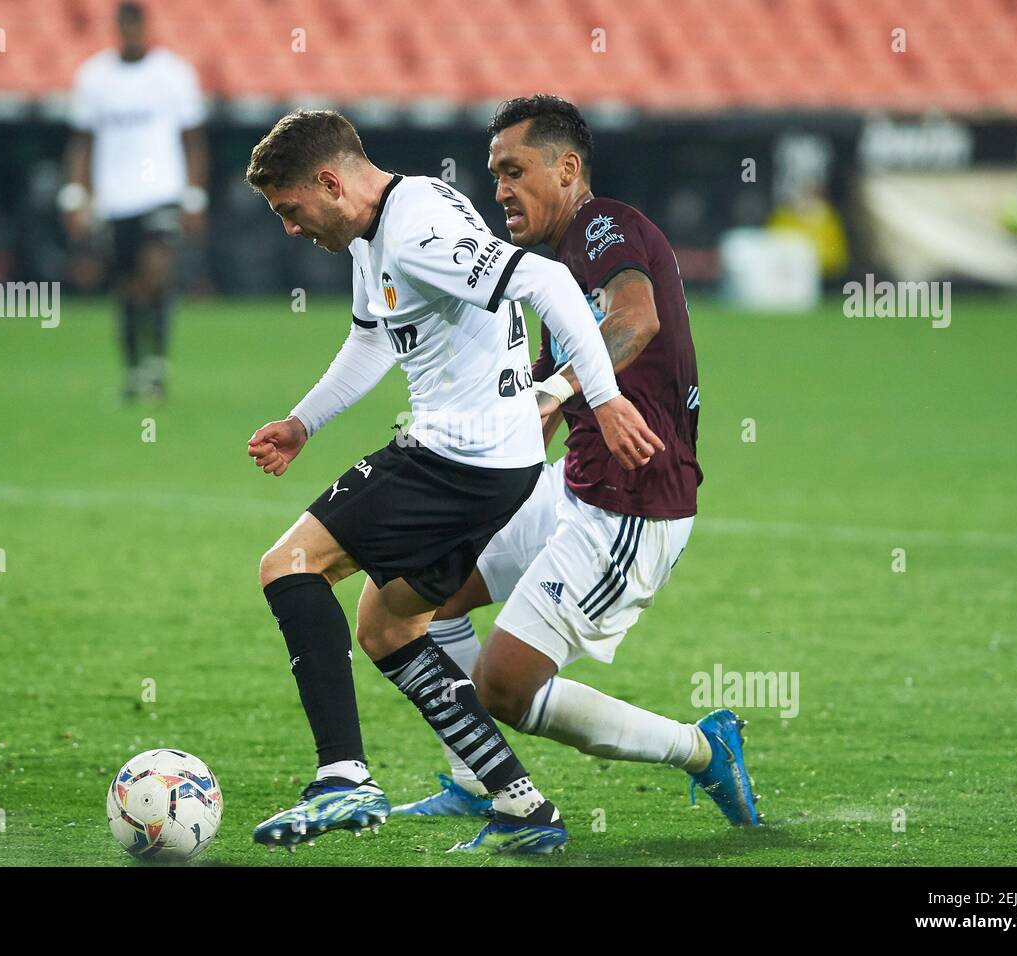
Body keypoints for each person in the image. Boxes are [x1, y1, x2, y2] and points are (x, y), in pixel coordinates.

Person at [243, 108, 664, 854]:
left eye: (290, 209)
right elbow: (373, 337)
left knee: (289, 566)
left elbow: (542, 280)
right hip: (487, 466)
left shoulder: (415, 229)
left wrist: (600, 396)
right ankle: (522, 804)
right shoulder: (380, 232)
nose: (289, 228)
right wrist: (304, 422)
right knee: (387, 626)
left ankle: (343, 776)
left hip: (455, 459)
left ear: (330, 182)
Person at [392, 95, 761, 828]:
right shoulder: (554, 267)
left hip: (632, 505)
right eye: (493, 174)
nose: (498, 189)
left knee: (505, 685)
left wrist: (557, 389)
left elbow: (634, 317)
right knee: (421, 593)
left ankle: (701, 748)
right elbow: (547, 406)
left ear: (567, 169)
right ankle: (478, 778)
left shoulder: (602, 227)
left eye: (513, 170)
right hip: (575, 487)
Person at [62, 1, 209, 401]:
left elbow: (193, 140)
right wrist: (76, 196)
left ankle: (157, 366)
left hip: (162, 191)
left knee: (157, 273)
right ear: (117, 29)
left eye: (135, 26)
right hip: (116, 198)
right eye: (123, 27)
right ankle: (133, 368)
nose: (130, 34)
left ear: (145, 27)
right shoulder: (94, 77)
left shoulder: (173, 74)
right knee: (127, 286)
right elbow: (83, 142)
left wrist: (194, 196)